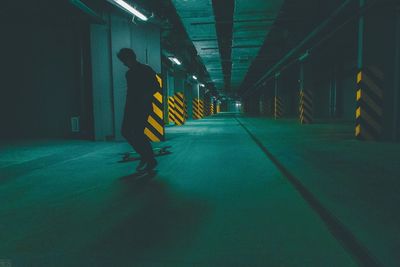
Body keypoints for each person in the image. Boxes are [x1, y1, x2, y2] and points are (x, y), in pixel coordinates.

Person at [117, 48, 159, 172]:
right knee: (125, 131)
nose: (124, 63)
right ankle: (146, 156)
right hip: (131, 107)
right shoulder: (128, 74)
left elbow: (156, 86)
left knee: (138, 133)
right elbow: (130, 93)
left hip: (143, 107)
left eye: (124, 60)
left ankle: (149, 159)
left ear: (131, 57)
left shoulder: (146, 70)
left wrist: (146, 95)